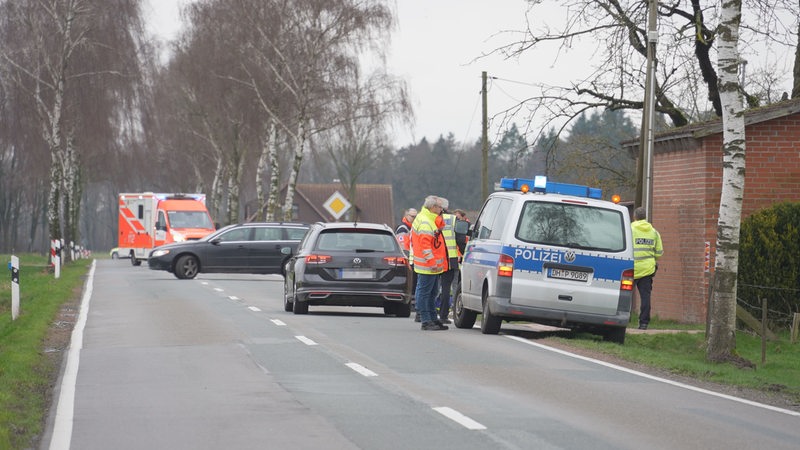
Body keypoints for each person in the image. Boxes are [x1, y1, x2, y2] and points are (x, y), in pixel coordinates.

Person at [410, 195, 449, 330]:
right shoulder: (426, 222)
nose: (441, 210)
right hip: (428, 265)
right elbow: (425, 246)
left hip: (431, 265)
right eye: (440, 208)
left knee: (432, 293)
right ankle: (426, 320)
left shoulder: (428, 218)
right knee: (426, 293)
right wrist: (432, 262)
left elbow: (439, 230)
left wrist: (440, 219)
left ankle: (433, 318)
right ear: (433, 208)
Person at [631, 206, 663, 330]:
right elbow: (659, 253)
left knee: (625, 295)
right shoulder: (654, 232)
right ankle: (643, 323)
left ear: (635, 217)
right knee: (645, 296)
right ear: (645, 217)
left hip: (631, 268)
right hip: (647, 270)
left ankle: (623, 319)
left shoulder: (630, 229)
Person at [436, 202, 461, 324]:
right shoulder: (453, 219)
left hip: (434, 258)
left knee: (433, 287)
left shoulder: (432, 218)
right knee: (446, 288)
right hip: (450, 259)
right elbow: (460, 239)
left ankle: (424, 313)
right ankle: (443, 315)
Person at [395, 208, 419, 317]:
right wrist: (408, 259)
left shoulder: (412, 228)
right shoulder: (403, 228)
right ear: (406, 215)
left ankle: (413, 303)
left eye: (415, 216)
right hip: (409, 259)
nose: (414, 218)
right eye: (412, 216)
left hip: (414, 259)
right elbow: (403, 246)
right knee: (412, 283)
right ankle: (412, 304)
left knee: (414, 282)